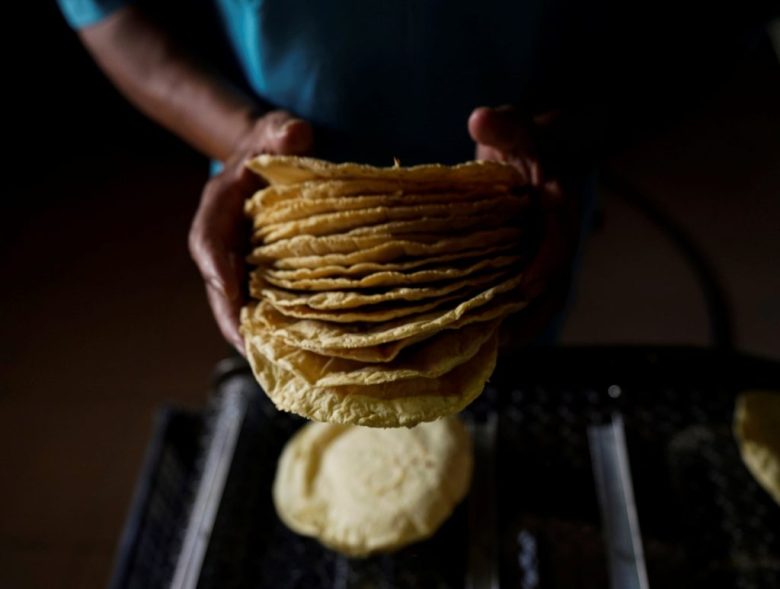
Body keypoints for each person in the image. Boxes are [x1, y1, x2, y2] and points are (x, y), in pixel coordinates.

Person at [58, 0, 603, 353]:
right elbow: (105, 11)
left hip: (517, 209)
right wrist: (242, 138)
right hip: (289, 225)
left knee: (502, 386)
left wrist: (564, 134)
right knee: (327, 422)